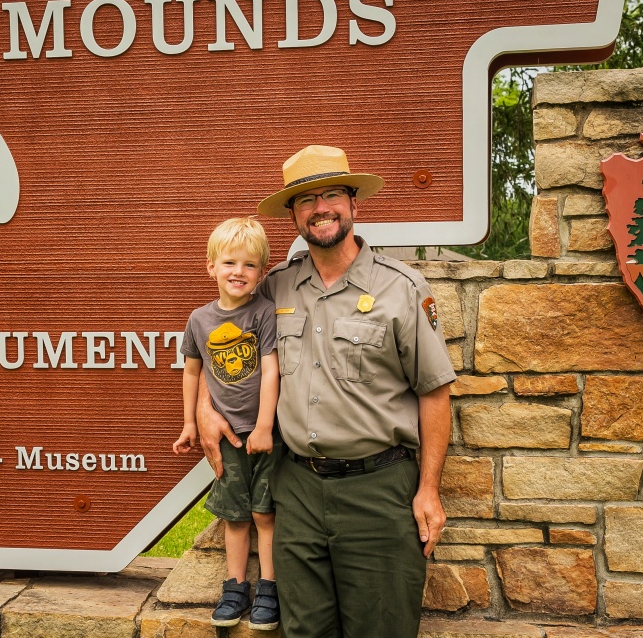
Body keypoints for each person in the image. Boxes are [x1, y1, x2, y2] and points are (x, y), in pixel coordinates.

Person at [197, 145, 456, 638]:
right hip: (295, 492)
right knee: (304, 632)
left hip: (377, 493)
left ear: (354, 204)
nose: (321, 207)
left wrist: (428, 489)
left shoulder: (400, 288)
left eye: (332, 194)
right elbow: (220, 340)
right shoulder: (275, 288)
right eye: (306, 199)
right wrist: (207, 407)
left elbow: (434, 392)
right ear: (293, 215)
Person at [173, 216, 282, 630]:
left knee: (265, 514)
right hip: (228, 439)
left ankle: (268, 589)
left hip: (264, 435)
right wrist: (189, 423)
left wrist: (265, 426)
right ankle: (235, 588)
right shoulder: (199, 320)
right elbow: (191, 373)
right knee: (236, 516)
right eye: (230, 263)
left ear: (262, 271)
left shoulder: (264, 313)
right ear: (211, 266)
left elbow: (270, 371)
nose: (239, 272)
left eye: (250, 265)